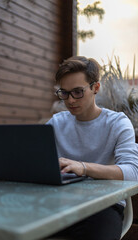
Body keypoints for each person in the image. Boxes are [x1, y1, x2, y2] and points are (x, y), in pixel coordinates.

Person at [46, 56, 138, 240]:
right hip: (59, 203)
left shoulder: (117, 123)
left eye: (78, 92)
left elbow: (133, 172)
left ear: (95, 88)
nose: (70, 100)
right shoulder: (56, 123)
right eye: (64, 93)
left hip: (103, 206)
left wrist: (84, 167)